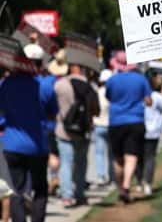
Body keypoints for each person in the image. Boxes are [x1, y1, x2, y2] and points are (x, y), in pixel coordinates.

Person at [0, 43, 59, 222]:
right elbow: (53, 113)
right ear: (40, 64)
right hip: (37, 146)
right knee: (40, 189)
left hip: (11, 145)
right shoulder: (45, 86)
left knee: (16, 190)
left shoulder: (6, 84)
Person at [106, 51, 152, 203]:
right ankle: (126, 186)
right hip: (135, 120)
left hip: (116, 121)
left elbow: (109, 97)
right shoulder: (141, 79)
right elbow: (148, 101)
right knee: (131, 155)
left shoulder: (111, 80)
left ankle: (121, 188)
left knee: (118, 158)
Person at [54, 62, 99, 208]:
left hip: (64, 130)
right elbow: (95, 110)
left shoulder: (60, 85)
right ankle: (79, 194)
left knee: (65, 163)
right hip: (83, 131)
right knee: (81, 163)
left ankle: (66, 196)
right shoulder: (89, 87)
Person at [136, 74, 162, 196]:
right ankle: (147, 183)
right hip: (152, 132)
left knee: (139, 157)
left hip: (139, 129)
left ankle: (139, 182)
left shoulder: (140, 95)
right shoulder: (156, 96)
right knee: (149, 157)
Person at [93, 69, 114, 187]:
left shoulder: (98, 92)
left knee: (99, 153)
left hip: (99, 124)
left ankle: (101, 176)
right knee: (111, 153)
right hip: (111, 125)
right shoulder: (113, 92)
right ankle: (112, 176)